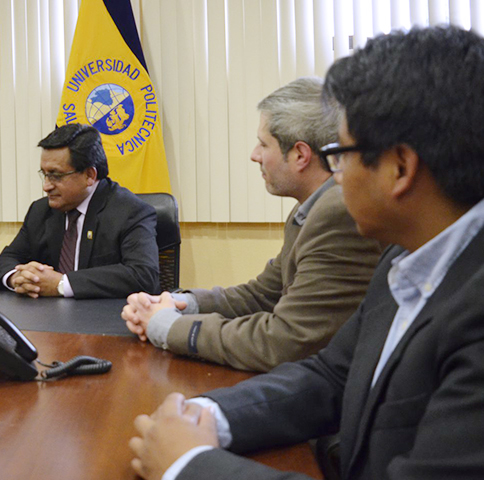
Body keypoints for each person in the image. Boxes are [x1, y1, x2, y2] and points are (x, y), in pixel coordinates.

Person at [128, 26, 484, 480]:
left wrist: (190, 465)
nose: (335, 178)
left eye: (339, 156)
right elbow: (332, 377)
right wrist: (203, 416)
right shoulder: (408, 252)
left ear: (399, 167)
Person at [121, 78, 382, 372]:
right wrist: (178, 303)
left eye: (263, 143)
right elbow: (262, 294)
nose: (254, 154)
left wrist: (169, 328)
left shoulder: (336, 212)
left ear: (300, 155)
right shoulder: (311, 207)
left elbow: (282, 341)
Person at [0, 123, 159, 299]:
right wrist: (18, 278)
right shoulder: (40, 211)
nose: (46, 186)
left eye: (56, 175)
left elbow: (144, 275)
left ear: (89, 176)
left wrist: (62, 284)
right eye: (45, 174)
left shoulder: (130, 212)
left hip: (104, 321)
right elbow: (4, 261)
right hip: (47, 319)